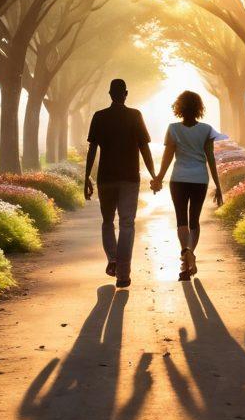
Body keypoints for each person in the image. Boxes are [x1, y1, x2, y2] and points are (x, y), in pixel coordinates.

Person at [85, 78, 156, 289]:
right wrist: (154, 175)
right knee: (127, 224)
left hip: (106, 178)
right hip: (130, 178)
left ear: (109, 94)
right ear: (126, 93)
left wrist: (86, 177)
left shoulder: (99, 116)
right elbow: (144, 147)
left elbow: (92, 149)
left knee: (108, 221)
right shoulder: (135, 115)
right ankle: (123, 274)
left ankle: (113, 258)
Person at [152, 90, 223, 281]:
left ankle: (185, 256)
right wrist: (218, 185)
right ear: (199, 108)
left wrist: (158, 178)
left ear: (179, 108)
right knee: (194, 220)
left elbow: (167, 158)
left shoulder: (173, 129)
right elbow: (211, 159)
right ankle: (190, 253)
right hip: (200, 179)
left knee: (181, 219)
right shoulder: (207, 130)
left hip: (179, 179)